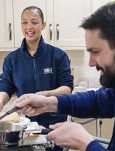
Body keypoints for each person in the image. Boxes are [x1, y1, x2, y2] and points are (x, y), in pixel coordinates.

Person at [13, 2, 115, 151]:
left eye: (96, 52)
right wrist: (47, 103)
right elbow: (97, 101)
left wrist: (85, 143)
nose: (91, 63)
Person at [0, 6, 73, 151]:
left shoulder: (58, 55)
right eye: (24, 22)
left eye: (34, 22)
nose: (29, 27)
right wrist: (1, 100)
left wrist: (45, 95)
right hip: (25, 127)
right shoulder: (12, 59)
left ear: (43, 25)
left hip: (54, 124)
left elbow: (67, 88)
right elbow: (6, 87)